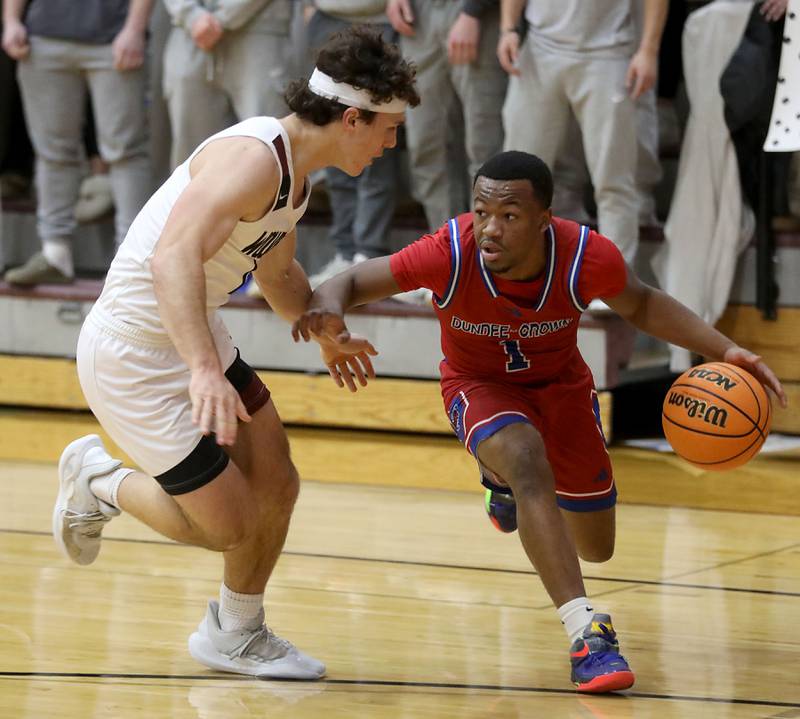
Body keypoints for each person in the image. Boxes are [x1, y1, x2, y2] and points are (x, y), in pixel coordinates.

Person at [291, 151, 788, 692]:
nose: (490, 228)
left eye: (509, 215)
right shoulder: (449, 252)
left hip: (562, 390)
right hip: (478, 386)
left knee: (597, 546)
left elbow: (642, 305)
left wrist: (726, 349)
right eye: (482, 211)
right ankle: (586, 634)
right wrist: (331, 324)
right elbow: (352, 280)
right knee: (526, 460)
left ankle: (500, 483)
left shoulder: (584, 256)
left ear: (544, 219)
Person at [51, 26, 418, 679]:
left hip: (192, 326)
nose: (392, 143)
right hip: (135, 351)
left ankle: (236, 633)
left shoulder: (293, 178)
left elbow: (276, 276)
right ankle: (97, 480)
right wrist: (201, 370)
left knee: (277, 480)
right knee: (226, 523)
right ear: (353, 118)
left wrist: (324, 329)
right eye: (387, 128)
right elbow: (171, 257)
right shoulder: (254, 158)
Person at [2, 0, 153, 285]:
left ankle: (132, 261)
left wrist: (135, 28)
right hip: (42, 38)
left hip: (114, 38)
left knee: (125, 152)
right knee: (51, 153)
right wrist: (11, 21)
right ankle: (55, 254)